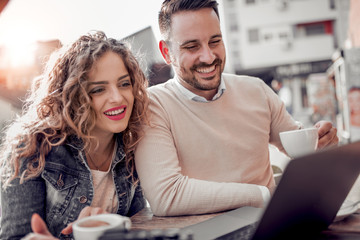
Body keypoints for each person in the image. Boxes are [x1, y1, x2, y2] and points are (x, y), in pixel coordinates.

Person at [134, 0, 339, 217]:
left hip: (272, 226)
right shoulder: (152, 105)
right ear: (166, 52)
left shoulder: (256, 90)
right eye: (192, 46)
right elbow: (167, 196)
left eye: (215, 41)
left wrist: (322, 144)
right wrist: (263, 195)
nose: (208, 56)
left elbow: (299, 148)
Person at [0, 31, 149, 239]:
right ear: (72, 96)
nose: (117, 98)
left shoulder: (134, 145)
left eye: (124, 84)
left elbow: (138, 227)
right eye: (98, 90)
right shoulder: (31, 147)